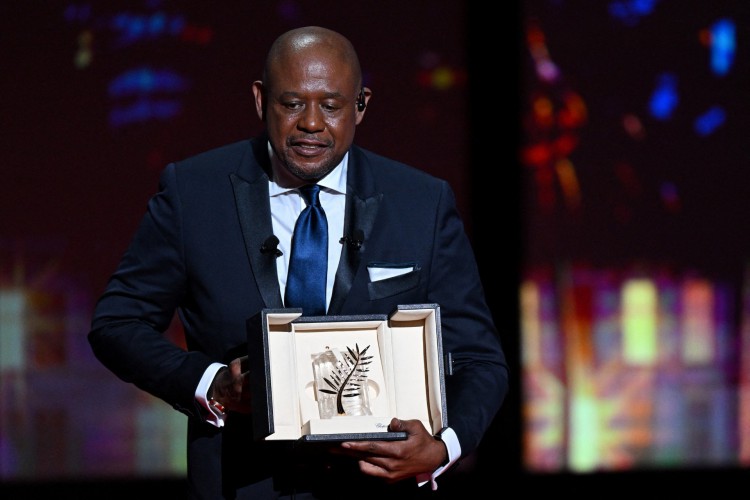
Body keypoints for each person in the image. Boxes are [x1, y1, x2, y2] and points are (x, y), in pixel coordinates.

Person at [88, 25, 508, 499]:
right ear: (260, 99)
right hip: (242, 486)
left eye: (331, 105)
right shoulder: (194, 193)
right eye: (292, 104)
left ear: (361, 105)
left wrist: (442, 447)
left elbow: (479, 359)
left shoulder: (421, 203)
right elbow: (118, 324)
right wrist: (215, 384)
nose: (311, 123)